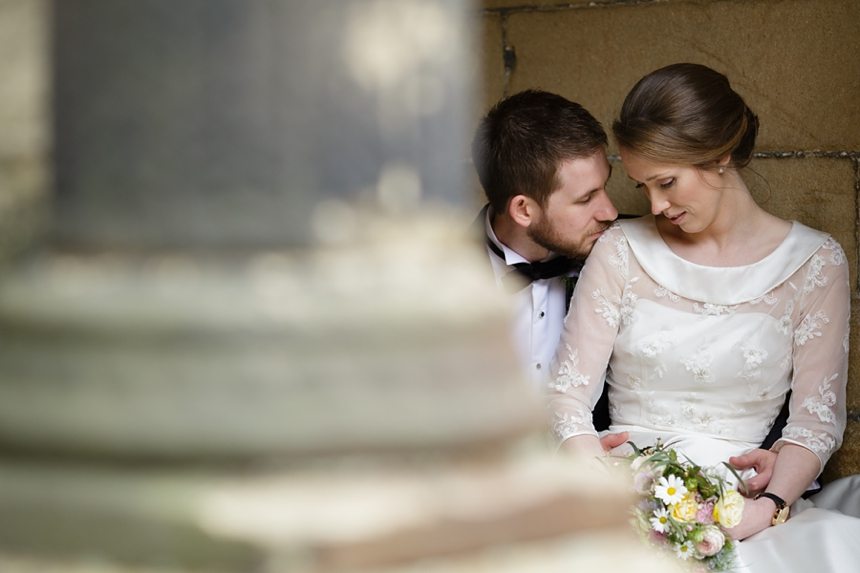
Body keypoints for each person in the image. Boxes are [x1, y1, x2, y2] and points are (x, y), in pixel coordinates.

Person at [547, 62, 860, 571]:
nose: (655, 204)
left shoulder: (816, 263)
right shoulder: (621, 250)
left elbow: (815, 422)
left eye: (666, 182)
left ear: (720, 157)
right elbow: (566, 396)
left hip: (740, 508)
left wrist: (768, 507)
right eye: (643, 186)